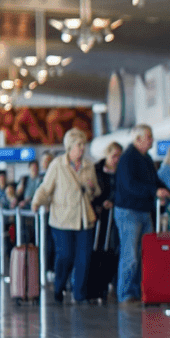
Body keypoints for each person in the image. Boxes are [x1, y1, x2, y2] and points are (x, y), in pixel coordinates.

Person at [32, 128, 100, 304]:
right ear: (70, 147)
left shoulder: (88, 166)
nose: (82, 148)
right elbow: (46, 188)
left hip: (84, 219)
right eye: (79, 145)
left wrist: (92, 188)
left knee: (84, 258)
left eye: (84, 144)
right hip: (62, 219)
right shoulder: (57, 165)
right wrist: (36, 202)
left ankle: (79, 294)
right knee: (65, 255)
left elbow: (95, 192)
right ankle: (59, 286)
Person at [114, 124, 170, 304]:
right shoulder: (128, 158)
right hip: (129, 212)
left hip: (144, 211)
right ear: (137, 139)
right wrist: (154, 191)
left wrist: (165, 190)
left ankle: (141, 291)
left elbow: (155, 180)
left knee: (145, 255)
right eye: (148, 136)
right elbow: (130, 185)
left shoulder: (146, 158)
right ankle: (125, 293)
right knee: (130, 255)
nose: (152, 139)